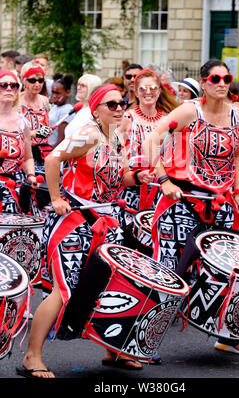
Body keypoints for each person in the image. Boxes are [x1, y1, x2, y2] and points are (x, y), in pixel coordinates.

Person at [17, 83, 154, 378]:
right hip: (75, 222)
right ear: (96, 110)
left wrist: (140, 176)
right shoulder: (89, 134)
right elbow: (53, 158)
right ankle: (32, 356)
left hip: (107, 222)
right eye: (112, 105)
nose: (119, 108)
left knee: (116, 286)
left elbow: (120, 179)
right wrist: (55, 198)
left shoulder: (117, 138)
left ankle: (113, 350)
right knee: (64, 289)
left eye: (122, 103)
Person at [143, 58, 239, 355]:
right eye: (214, 79)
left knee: (227, 270)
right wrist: (164, 179)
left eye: (225, 78)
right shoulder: (190, 110)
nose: (221, 84)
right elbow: (153, 139)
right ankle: (143, 340)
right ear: (204, 82)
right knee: (169, 270)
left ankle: (227, 335)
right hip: (182, 199)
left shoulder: (238, 116)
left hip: (220, 203)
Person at [119, 68, 179, 249]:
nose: (148, 92)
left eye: (153, 88)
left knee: (154, 243)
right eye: (143, 88)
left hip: (159, 188)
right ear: (136, 92)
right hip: (131, 189)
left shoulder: (169, 120)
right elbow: (117, 152)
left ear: (159, 91)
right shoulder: (126, 118)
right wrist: (134, 175)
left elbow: (175, 154)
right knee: (128, 242)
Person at [0, 70, 40, 212]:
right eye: (3, 85)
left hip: (15, 188)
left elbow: (28, 157)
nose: (9, 88)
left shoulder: (22, 122)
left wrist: (31, 176)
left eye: (14, 85)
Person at [18, 60, 52, 215]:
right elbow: (13, 130)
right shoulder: (16, 101)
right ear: (23, 81)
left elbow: (47, 125)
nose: (37, 84)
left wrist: (46, 131)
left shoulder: (45, 101)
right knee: (24, 193)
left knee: (41, 195)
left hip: (42, 153)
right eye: (32, 80)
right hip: (24, 153)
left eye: (40, 80)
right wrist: (35, 133)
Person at [64, 73, 102, 138]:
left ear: (92, 88)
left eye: (83, 85)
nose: (78, 87)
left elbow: (91, 141)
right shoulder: (82, 109)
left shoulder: (94, 112)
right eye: (78, 84)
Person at [48, 73, 74, 148]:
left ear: (67, 92)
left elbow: (61, 140)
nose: (54, 96)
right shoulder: (55, 107)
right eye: (52, 92)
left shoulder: (66, 110)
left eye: (57, 93)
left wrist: (49, 154)